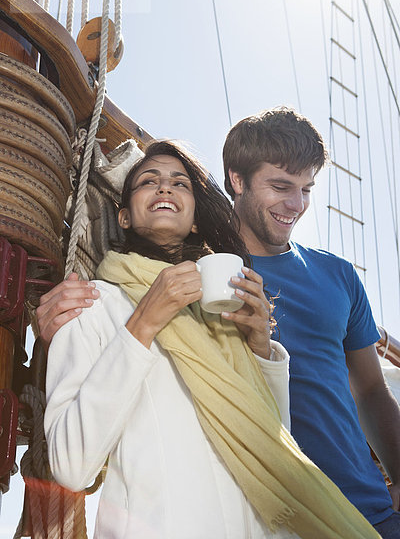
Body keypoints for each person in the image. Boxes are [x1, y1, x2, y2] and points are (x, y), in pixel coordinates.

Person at [43, 140, 380, 539]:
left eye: (180, 183)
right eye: (149, 181)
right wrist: (143, 324)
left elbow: (272, 442)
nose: (165, 188)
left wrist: (260, 348)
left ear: (197, 220)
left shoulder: (220, 316)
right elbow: (70, 466)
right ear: (125, 217)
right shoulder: (90, 304)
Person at [222, 106, 400, 539]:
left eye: (306, 189)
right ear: (237, 180)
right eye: (281, 186)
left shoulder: (338, 275)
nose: (296, 204)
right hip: (259, 519)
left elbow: (373, 391)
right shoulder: (203, 268)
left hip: (367, 513)